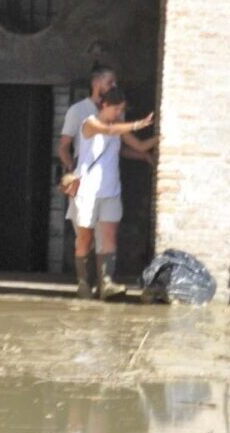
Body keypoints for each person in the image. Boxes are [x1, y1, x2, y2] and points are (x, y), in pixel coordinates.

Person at [68, 86, 157, 300]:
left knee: (109, 236)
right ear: (104, 105)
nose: (119, 114)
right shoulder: (90, 123)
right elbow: (107, 131)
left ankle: (106, 283)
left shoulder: (118, 127)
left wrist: (162, 138)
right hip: (87, 191)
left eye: (122, 110)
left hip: (111, 190)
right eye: (116, 109)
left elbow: (140, 145)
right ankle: (83, 283)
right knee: (85, 239)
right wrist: (137, 124)